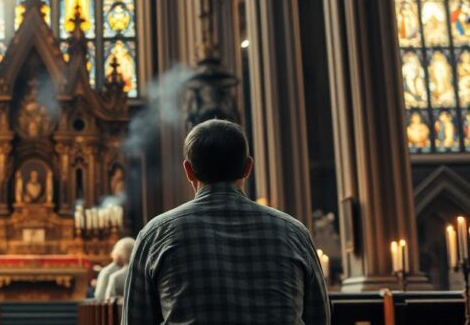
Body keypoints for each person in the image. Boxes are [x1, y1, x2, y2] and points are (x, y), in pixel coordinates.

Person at [124, 119, 329, 325]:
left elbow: (135, 320)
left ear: (188, 170)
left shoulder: (156, 235)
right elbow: (320, 318)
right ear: (248, 167)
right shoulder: (294, 233)